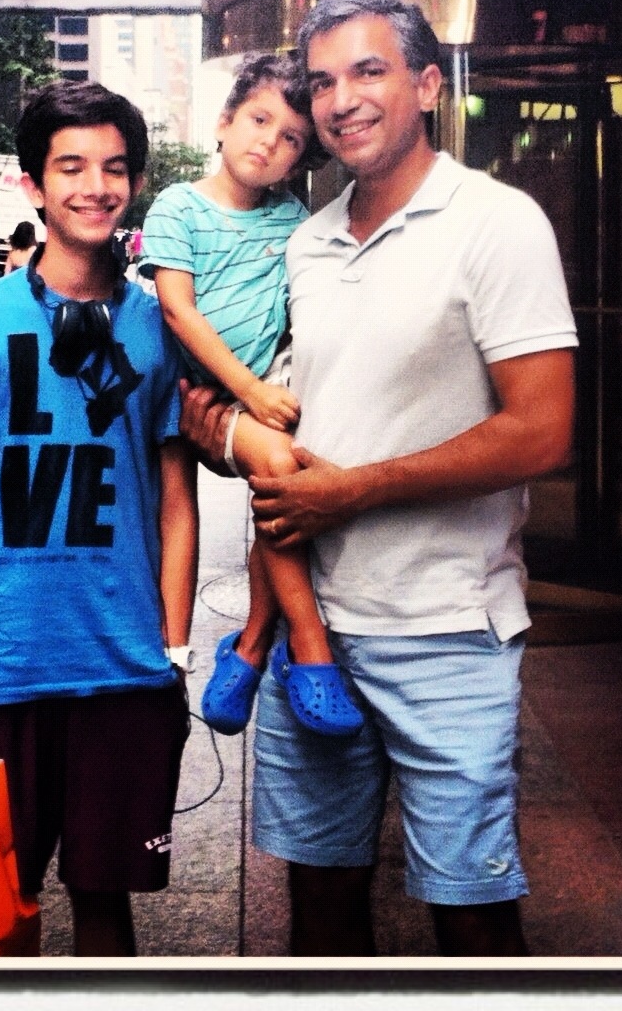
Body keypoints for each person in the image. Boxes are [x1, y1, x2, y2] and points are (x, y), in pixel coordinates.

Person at [181, 0, 577, 958]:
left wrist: (353, 490)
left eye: (369, 72)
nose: (341, 100)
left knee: (471, 911)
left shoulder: (497, 222)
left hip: (448, 631)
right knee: (319, 904)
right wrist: (221, 434)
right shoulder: (304, 241)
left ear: (428, 85)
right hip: (311, 632)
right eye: (322, 82)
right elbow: (279, 410)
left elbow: (541, 433)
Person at [0, 81, 198, 958]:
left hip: (126, 669)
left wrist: (173, 653)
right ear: (33, 184)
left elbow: (178, 504)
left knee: (108, 906)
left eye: (114, 168)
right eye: (71, 167)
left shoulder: (164, 328)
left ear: (135, 182)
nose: (94, 187)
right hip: (3, 667)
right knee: (0, 910)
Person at [141, 51, 360, 738]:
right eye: (259, 120)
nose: (269, 142)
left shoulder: (292, 219)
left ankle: (251, 646)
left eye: (290, 137)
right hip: (215, 395)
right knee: (279, 469)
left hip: (276, 387)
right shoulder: (179, 207)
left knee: (282, 489)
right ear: (224, 122)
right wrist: (250, 392)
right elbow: (178, 311)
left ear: (299, 162)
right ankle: (310, 647)